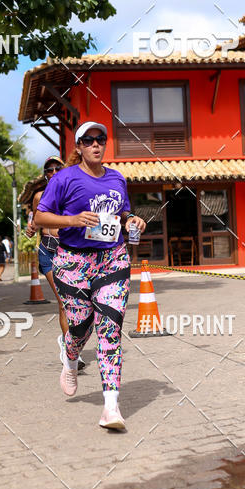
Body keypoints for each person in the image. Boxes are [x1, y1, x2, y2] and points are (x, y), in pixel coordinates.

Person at [34, 122, 146, 430]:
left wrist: (133, 219)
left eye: (101, 139)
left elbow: (123, 213)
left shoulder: (117, 179)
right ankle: (70, 357)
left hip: (112, 259)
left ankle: (111, 408)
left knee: (109, 330)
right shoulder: (64, 179)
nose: (96, 144)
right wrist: (73, 219)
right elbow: (39, 216)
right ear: (79, 146)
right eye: (89, 140)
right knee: (80, 327)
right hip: (73, 262)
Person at [26, 156, 86, 371]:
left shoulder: (71, 195)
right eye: (48, 169)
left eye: (56, 168)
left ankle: (67, 343)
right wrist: (30, 228)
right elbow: (34, 221)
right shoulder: (39, 196)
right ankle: (70, 350)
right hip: (47, 251)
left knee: (74, 303)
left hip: (68, 250)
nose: (52, 172)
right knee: (63, 301)